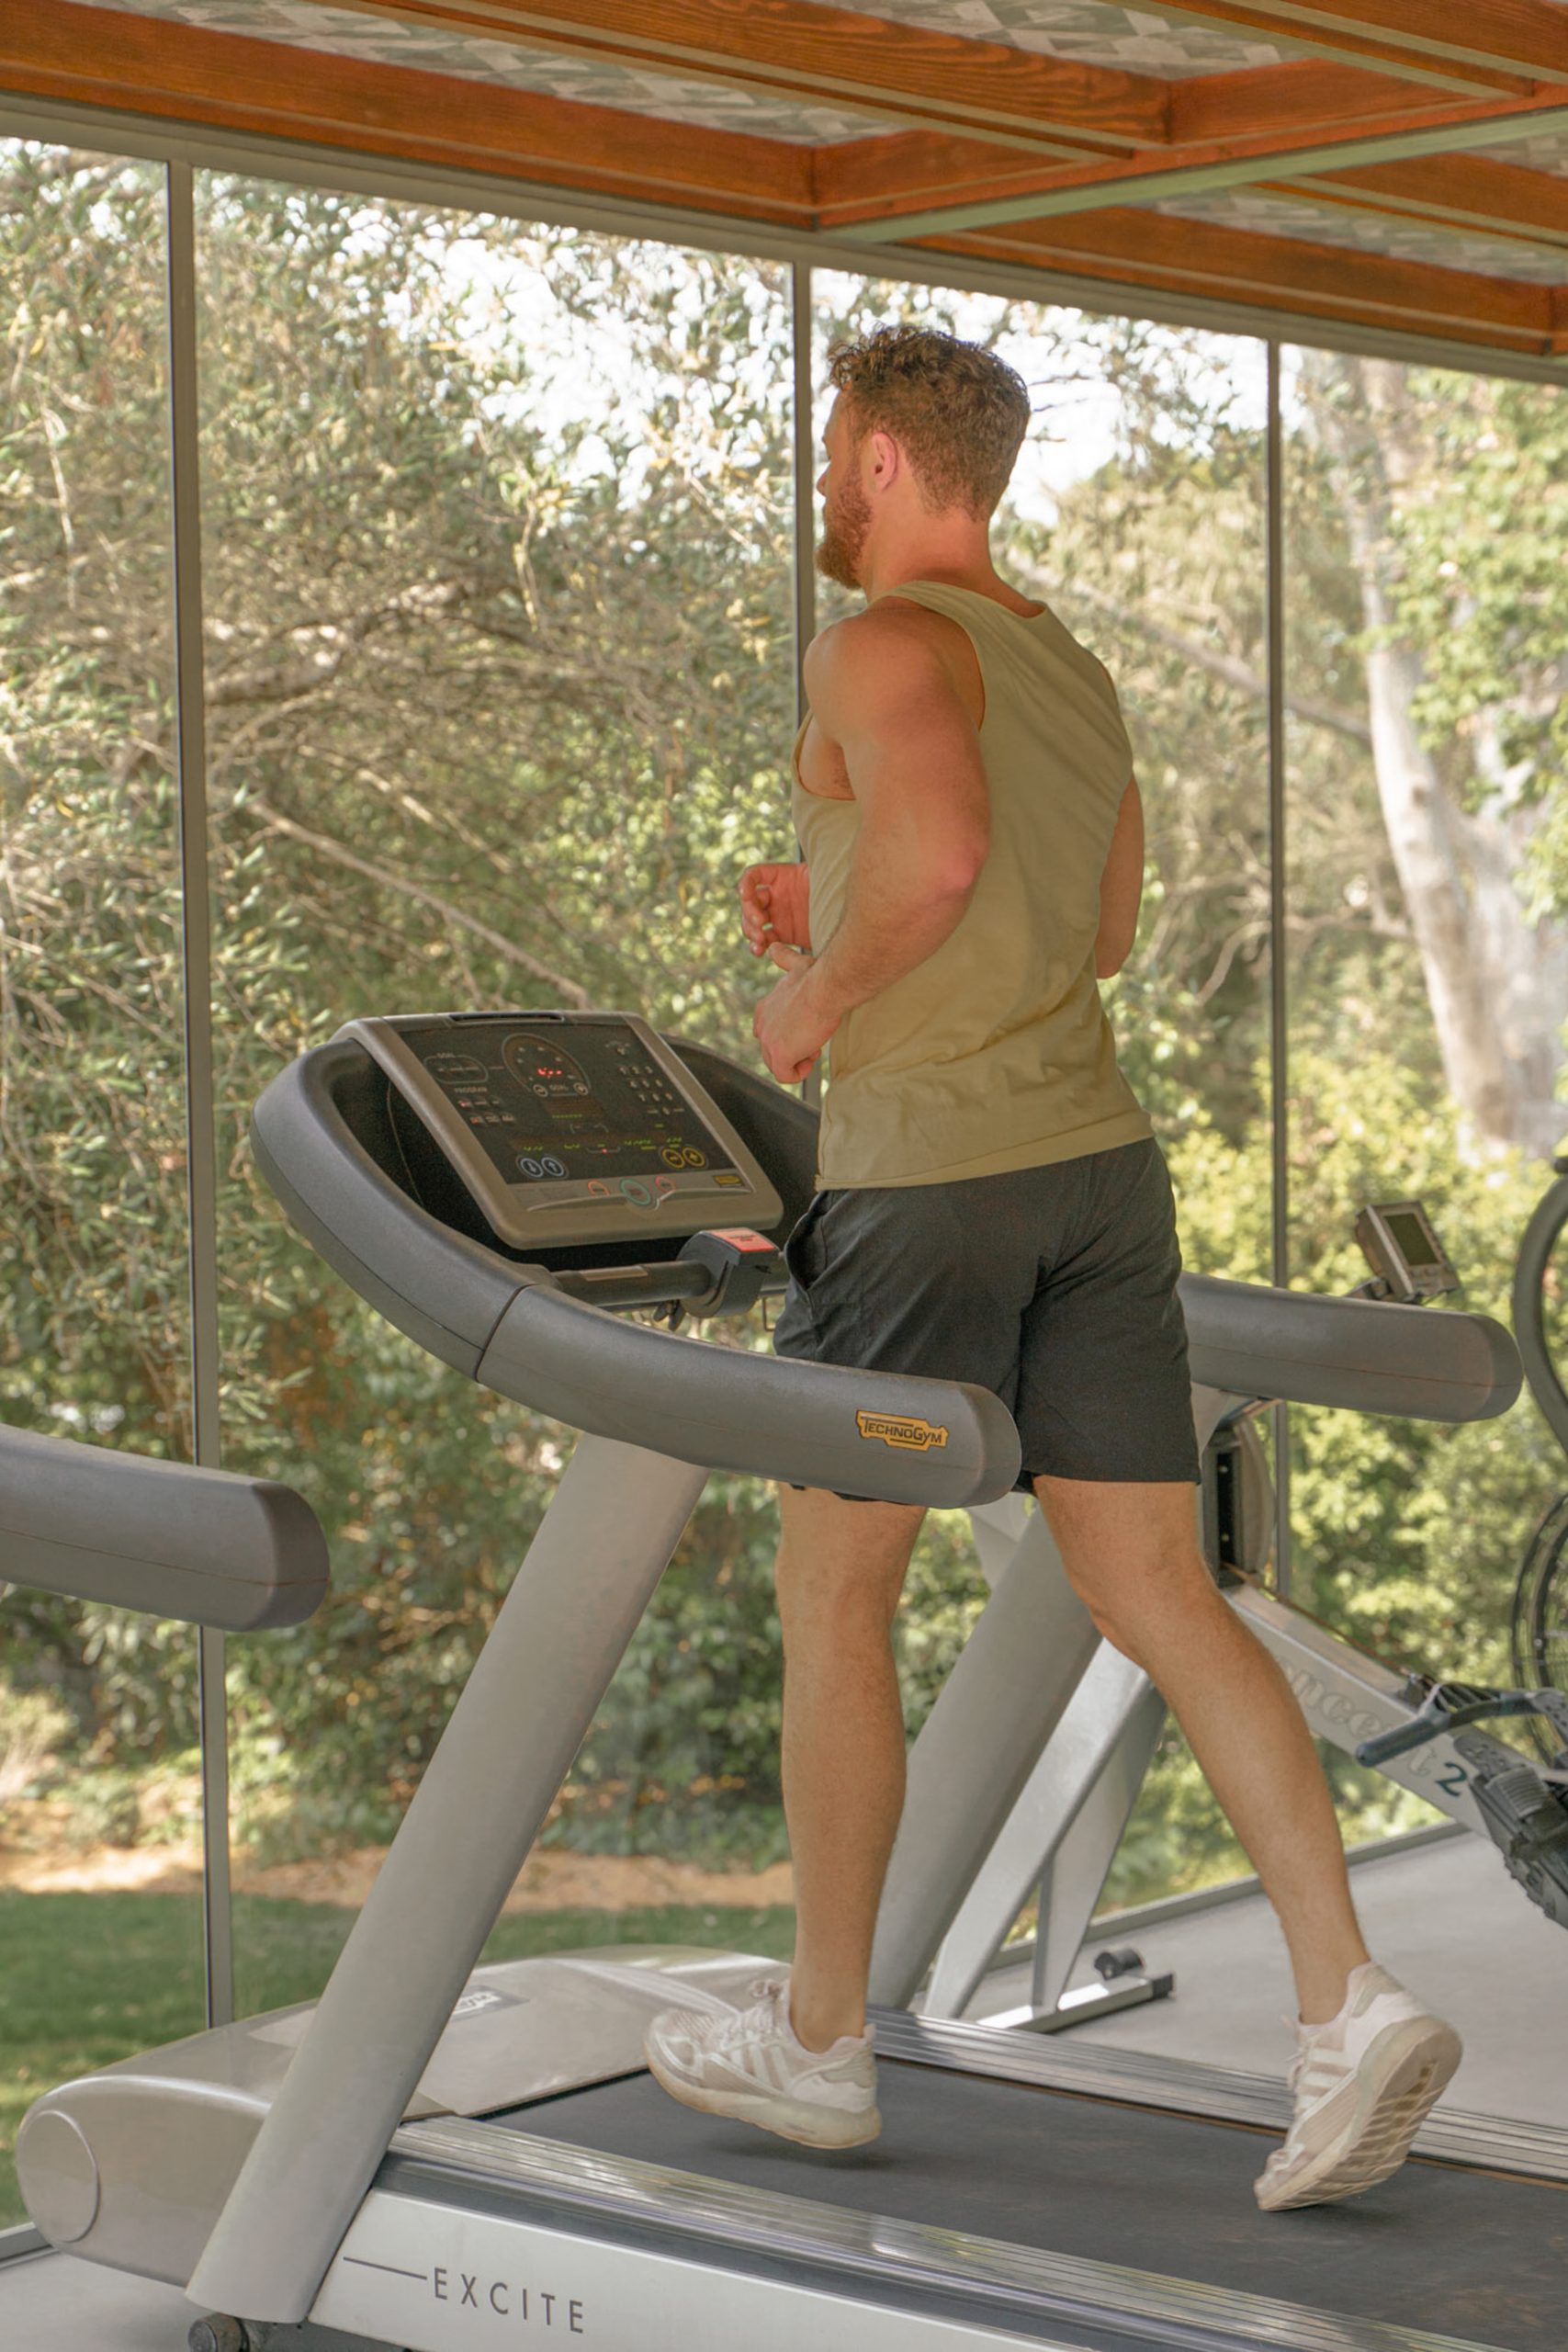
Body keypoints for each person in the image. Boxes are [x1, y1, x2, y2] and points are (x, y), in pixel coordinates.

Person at [644, 324, 1460, 2211]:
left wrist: (807, 998)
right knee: (1161, 1588)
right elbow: (1084, 927)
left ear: (874, 457)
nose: (827, 478)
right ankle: (1345, 2004)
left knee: (834, 1594)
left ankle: (816, 2042)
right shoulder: (1067, 665)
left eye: (834, 449)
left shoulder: (873, 643)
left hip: (925, 1177)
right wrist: (831, 888)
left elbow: (937, 862)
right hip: (1097, 1170)